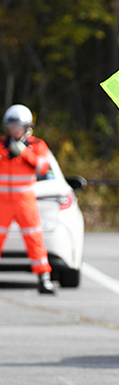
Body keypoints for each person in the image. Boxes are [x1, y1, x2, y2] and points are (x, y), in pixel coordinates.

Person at [0, 104, 55, 294]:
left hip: (25, 201)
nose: (14, 129)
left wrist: (24, 153)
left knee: (34, 237)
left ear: (27, 127)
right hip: (2, 202)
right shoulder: (0, 145)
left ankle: (44, 277)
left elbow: (43, 168)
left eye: (18, 125)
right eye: (11, 125)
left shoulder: (37, 146)